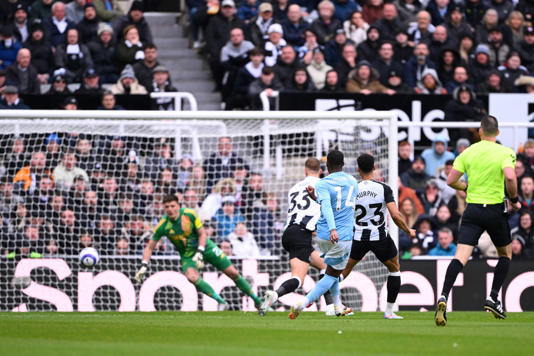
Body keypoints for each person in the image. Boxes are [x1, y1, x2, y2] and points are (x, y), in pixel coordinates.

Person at [435, 115, 521, 327]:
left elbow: (450, 180)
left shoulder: (468, 152)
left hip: (472, 211)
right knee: (505, 254)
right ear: (498, 133)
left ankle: (443, 296)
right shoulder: (505, 152)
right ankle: (492, 297)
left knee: (460, 257)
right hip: (494, 211)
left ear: (480, 132)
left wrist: (466, 188)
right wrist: (515, 200)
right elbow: (510, 177)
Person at [134, 194, 263, 310]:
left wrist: (200, 251)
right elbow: (149, 247)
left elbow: (202, 234)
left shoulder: (189, 215)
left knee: (232, 272)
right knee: (191, 277)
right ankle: (221, 301)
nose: (170, 209)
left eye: (172, 206)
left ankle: (256, 300)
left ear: (178, 206)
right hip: (187, 254)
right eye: (167, 207)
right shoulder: (163, 225)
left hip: (206, 247)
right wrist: (144, 265)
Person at [339, 153, 415, 319]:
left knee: (343, 271)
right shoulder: (384, 188)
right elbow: (395, 215)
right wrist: (408, 230)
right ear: (374, 167)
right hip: (380, 238)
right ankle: (388, 312)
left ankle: (329, 300)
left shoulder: (353, 189)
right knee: (394, 269)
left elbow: (344, 214)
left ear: (358, 169)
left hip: (358, 238)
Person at [259, 158, 336, 315]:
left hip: (289, 233)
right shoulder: (323, 187)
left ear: (305, 171)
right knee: (298, 279)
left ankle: (330, 308)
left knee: (325, 266)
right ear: (321, 171)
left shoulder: (293, 188)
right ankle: (274, 295)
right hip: (301, 234)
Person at [289, 150, 358, 318]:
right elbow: (332, 206)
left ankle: (337, 306)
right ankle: (302, 303)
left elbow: (326, 204)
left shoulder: (322, 184)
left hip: (322, 235)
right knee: (332, 274)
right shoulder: (353, 181)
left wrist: (315, 197)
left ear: (326, 166)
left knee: (332, 269)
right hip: (341, 235)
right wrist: (334, 229)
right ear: (343, 164)